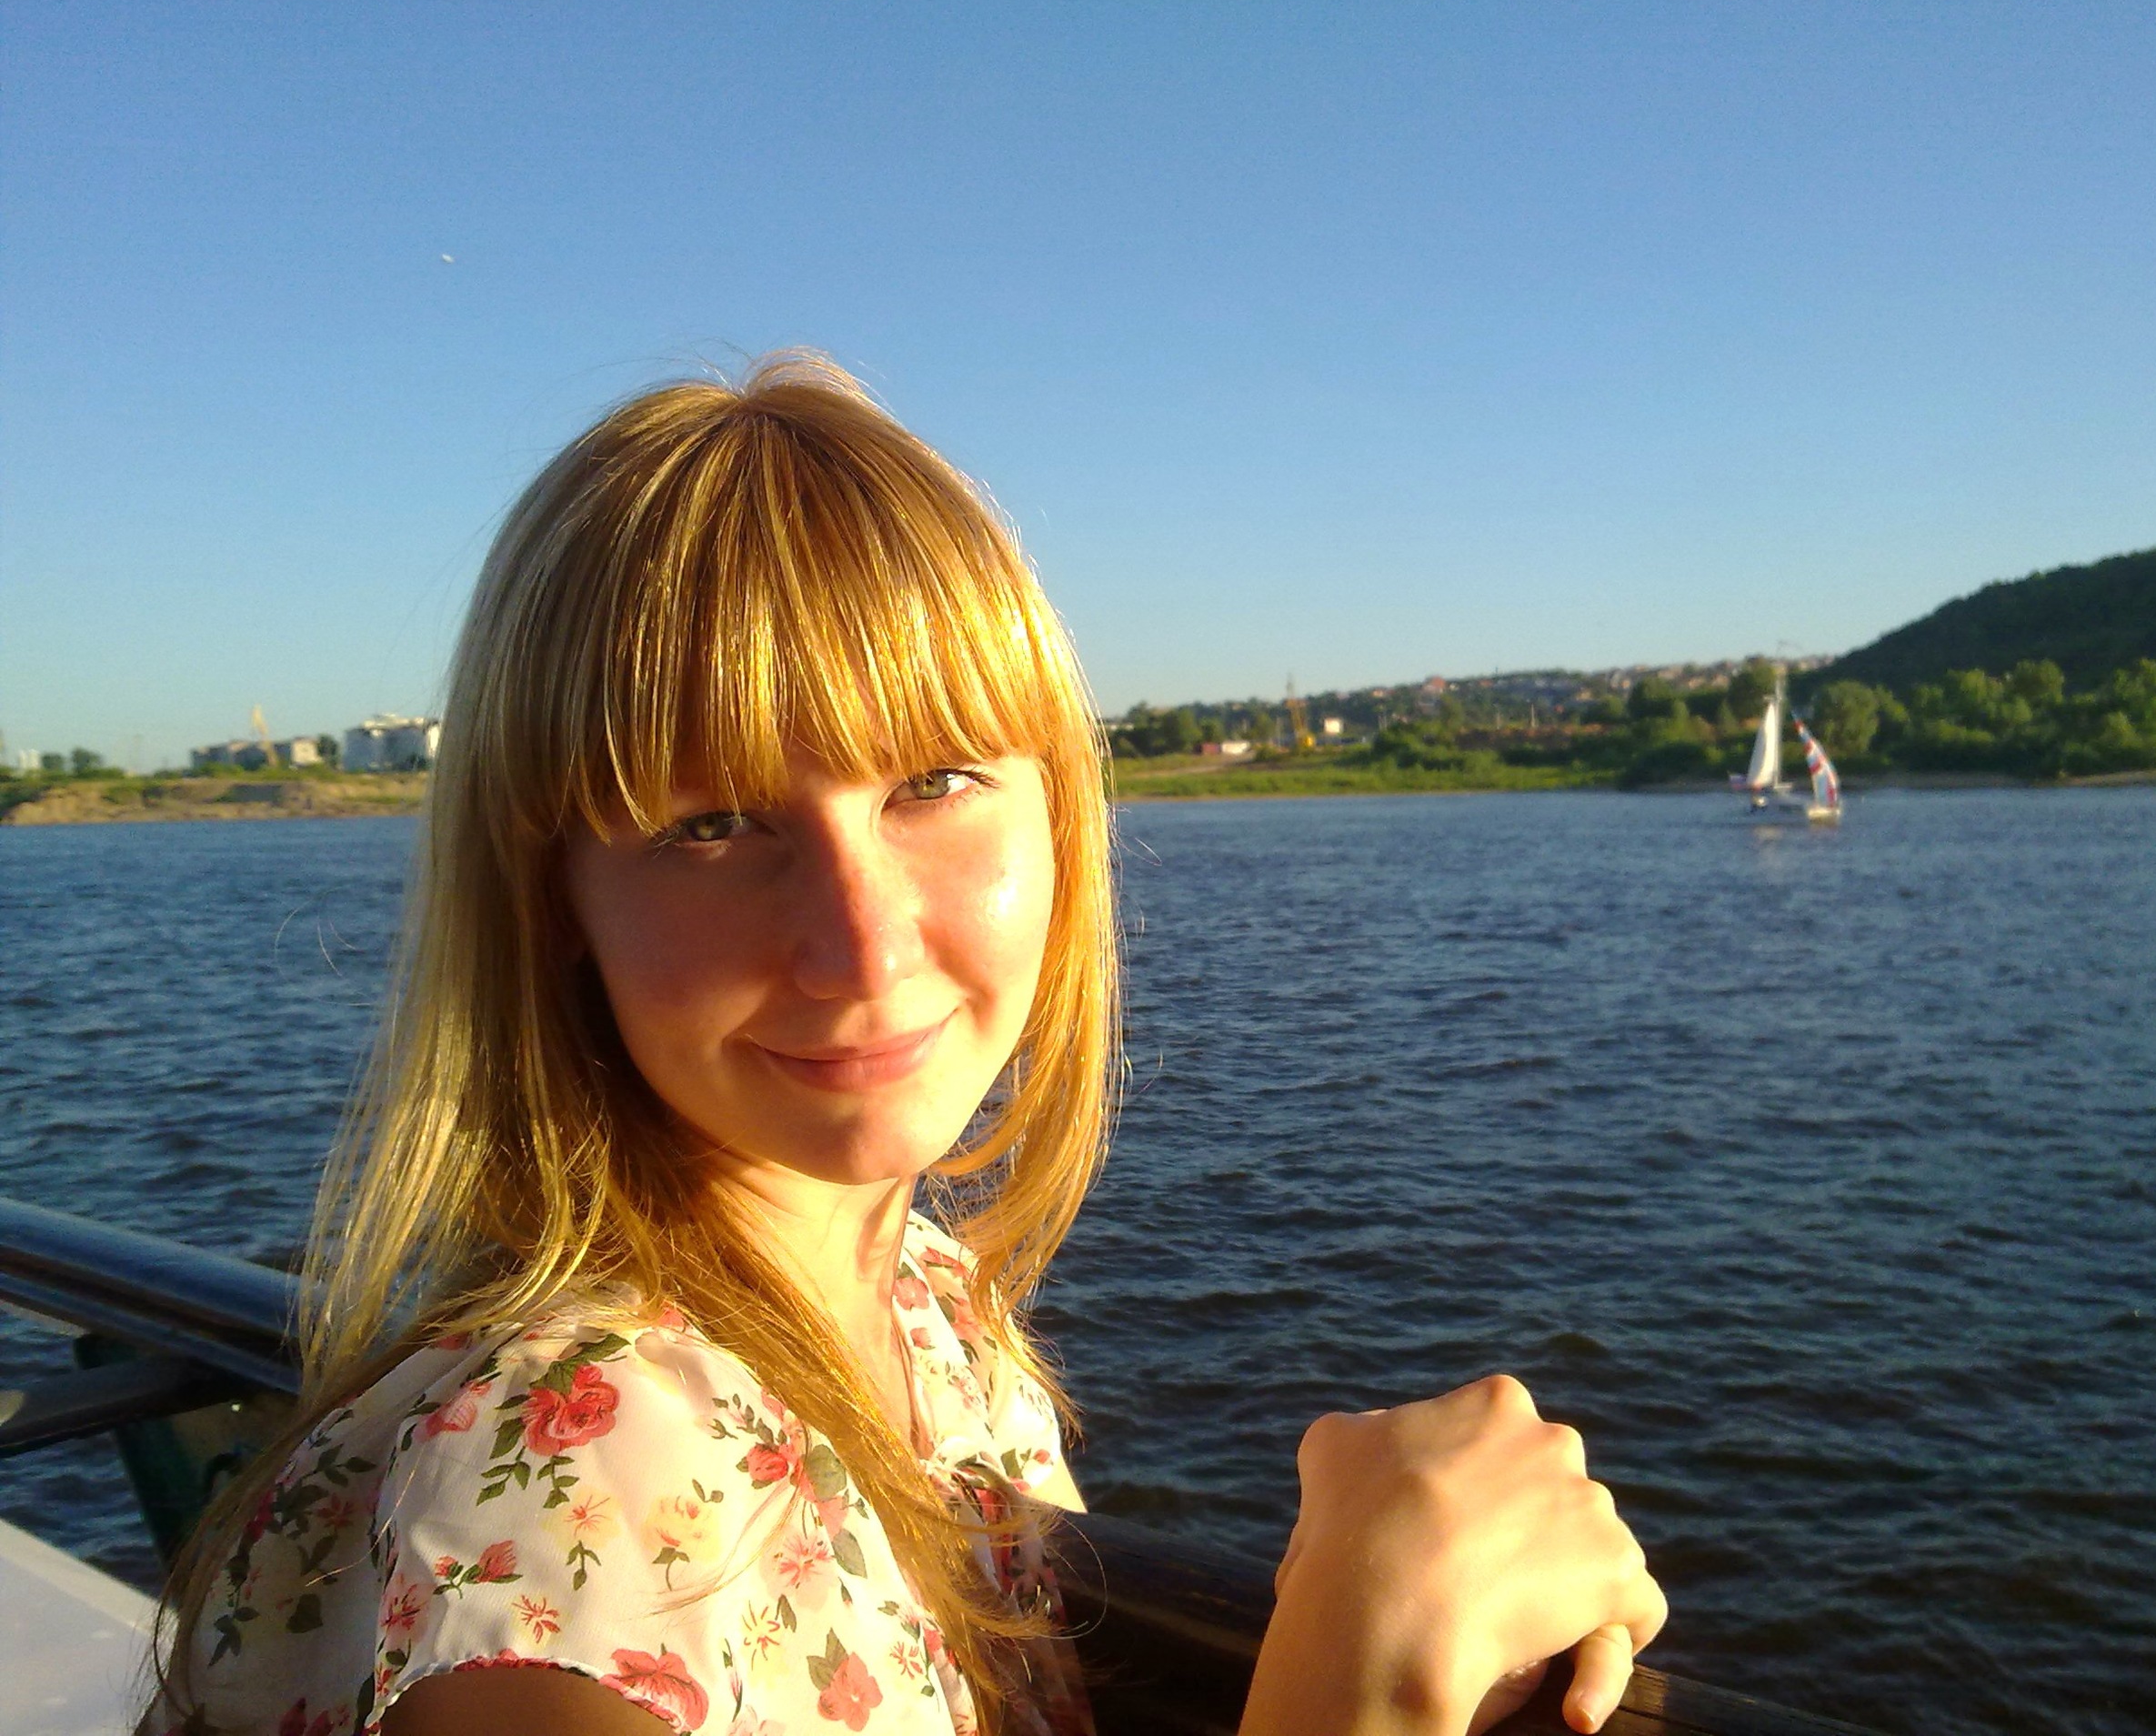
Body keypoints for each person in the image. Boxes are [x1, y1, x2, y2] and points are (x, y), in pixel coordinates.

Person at [150, 355, 1664, 1736]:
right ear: (553, 903)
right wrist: (1370, 1660)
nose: (863, 946)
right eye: (713, 823)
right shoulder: (574, 1468)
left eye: (933, 782)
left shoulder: (937, 1309)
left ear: (1060, 818)